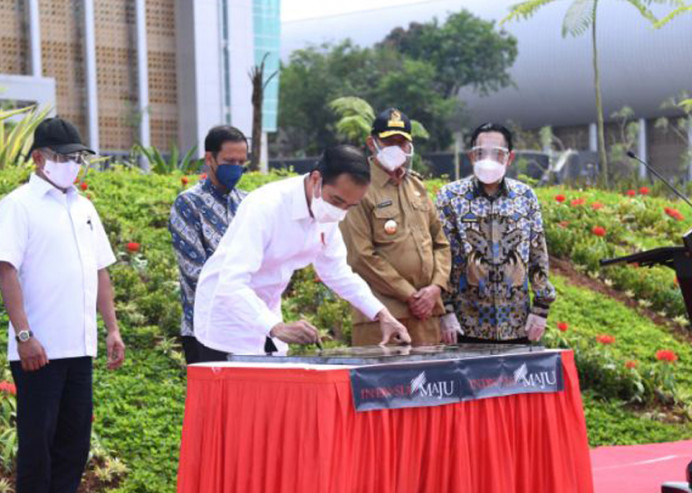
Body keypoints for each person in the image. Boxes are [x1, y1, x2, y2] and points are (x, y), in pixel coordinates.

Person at [0, 117, 125, 493]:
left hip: (79, 344)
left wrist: (112, 328)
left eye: (79, 158)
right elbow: (6, 270)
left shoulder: (83, 207)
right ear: (39, 158)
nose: (74, 165)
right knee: (38, 438)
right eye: (66, 158)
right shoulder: (18, 205)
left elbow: (101, 270)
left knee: (73, 437)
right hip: (40, 346)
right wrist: (24, 333)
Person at [193, 145, 411, 357]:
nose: (340, 212)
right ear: (316, 179)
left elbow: (337, 272)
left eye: (350, 206)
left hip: (268, 319)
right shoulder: (265, 206)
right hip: (226, 323)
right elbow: (231, 283)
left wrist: (381, 314)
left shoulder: (328, 213)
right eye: (337, 201)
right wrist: (275, 326)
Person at [435, 122, 556, 344]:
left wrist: (541, 309)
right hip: (464, 326)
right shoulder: (450, 197)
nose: (488, 159)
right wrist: (445, 311)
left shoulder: (525, 197)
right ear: (472, 157)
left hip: (517, 325)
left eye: (497, 153)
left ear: (509, 158)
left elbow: (538, 254)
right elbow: (441, 258)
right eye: (481, 153)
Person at [340, 109, 451, 346]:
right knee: (384, 383)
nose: (396, 148)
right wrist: (410, 295)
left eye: (402, 142)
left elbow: (440, 243)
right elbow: (360, 255)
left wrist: (436, 287)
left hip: (427, 313)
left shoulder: (417, 186)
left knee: (430, 381)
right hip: (381, 315)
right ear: (372, 143)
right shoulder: (359, 187)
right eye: (389, 141)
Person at [168, 125, 249, 364]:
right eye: (229, 161)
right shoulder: (188, 204)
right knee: (211, 402)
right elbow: (195, 272)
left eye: (241, 162)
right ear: (210, 158)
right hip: (205, 328)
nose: (235, 168)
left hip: (246, 329)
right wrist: (241, 287)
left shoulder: (246, 202)